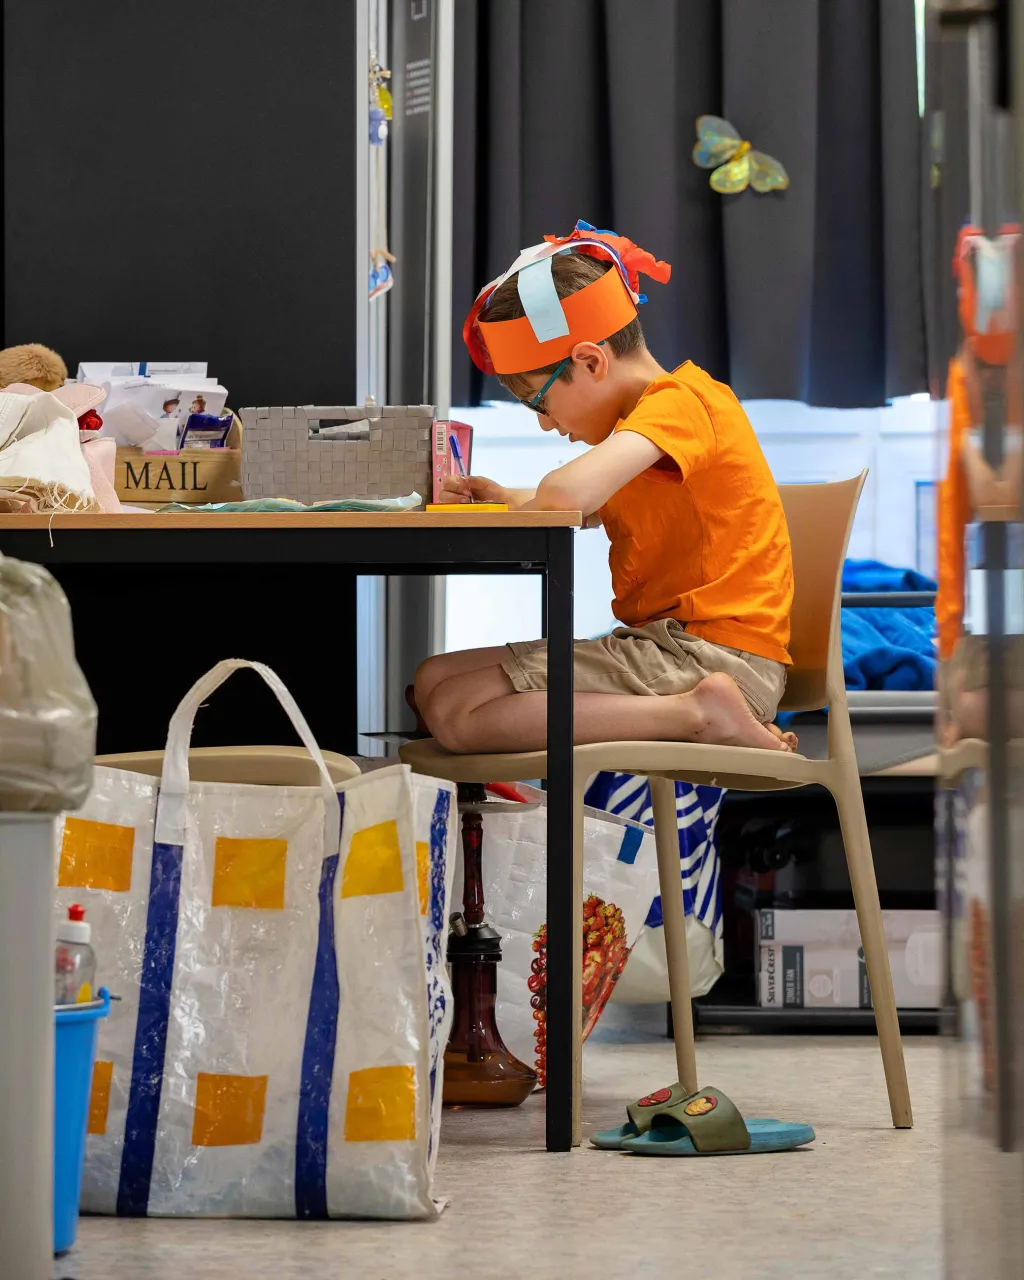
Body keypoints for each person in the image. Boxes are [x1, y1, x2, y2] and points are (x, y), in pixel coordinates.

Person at [414, 220, 796, 756]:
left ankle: (698, 713)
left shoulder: (682, 403)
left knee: (459, 714)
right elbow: (566, 500)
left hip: (714, 662)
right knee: (433, 679)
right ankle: (693, 709)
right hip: (670, 648)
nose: (546, 424)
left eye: (539, 402)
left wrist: (538, 495)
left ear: (590, 361)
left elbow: (567, 496)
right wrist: (502, 495)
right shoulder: (642, 434)